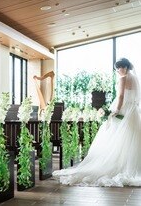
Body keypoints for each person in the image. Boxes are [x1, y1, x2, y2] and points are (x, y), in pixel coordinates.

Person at [53, 58, 141, 187]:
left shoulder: (123, 78)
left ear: (125, 67)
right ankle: (130, 166)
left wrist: (116, 110)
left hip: (123, 110)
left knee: (115, 139)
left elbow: (121, 96)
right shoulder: (135, 79)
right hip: (133, 112)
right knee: (131, 140)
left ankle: (116, 165)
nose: (117, 71)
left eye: (118, 68)